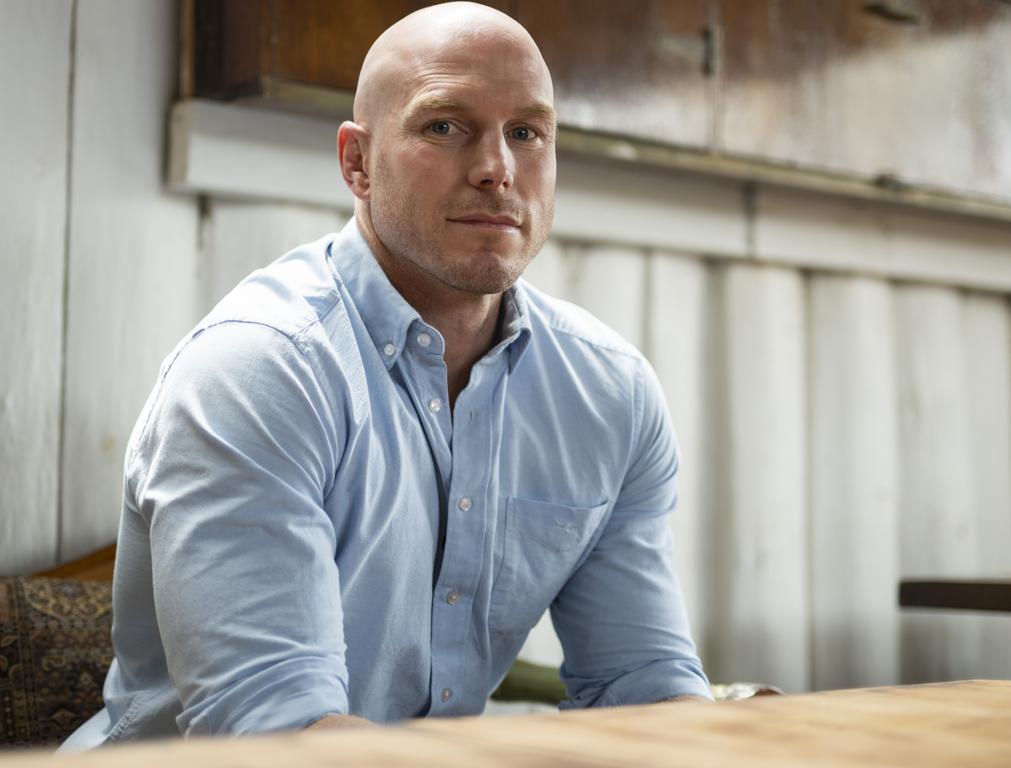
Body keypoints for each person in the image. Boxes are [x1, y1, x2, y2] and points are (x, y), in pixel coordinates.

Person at [63, 1, 710, 747]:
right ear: (357, 163)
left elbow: (644, 687)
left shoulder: (609, 395)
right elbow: (278, 733)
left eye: (526, 132)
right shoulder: (261, 369)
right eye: (445, 126)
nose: (497, 169)